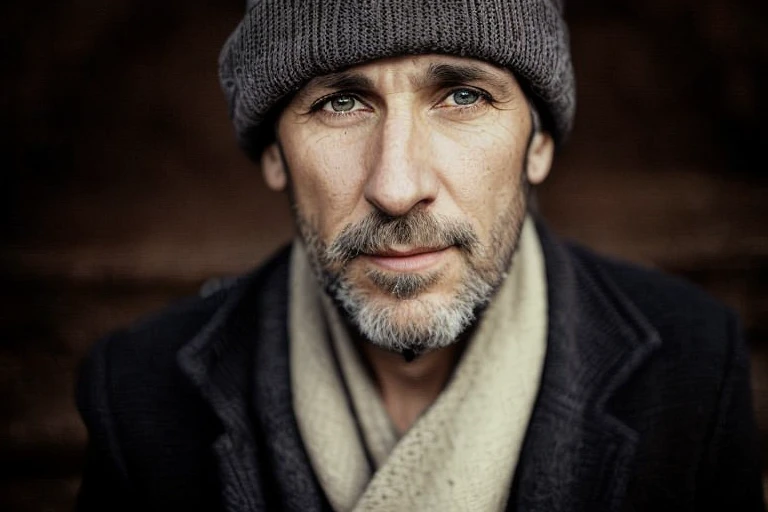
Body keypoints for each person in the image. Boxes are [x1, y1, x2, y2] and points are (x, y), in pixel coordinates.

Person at [75, 1, 766, 511]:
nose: (397, 188)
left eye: (463, 96)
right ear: (273, 155)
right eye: (341, 103)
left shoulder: (694, 366)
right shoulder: (141, 393)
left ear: (539, 142)